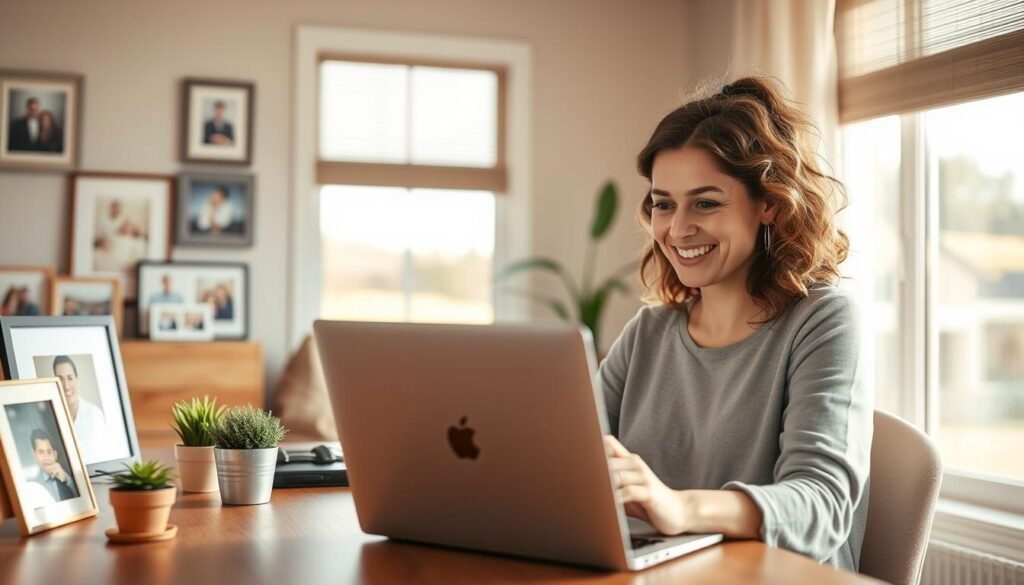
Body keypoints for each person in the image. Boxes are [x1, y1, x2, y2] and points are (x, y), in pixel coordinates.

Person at [599, 77, 871, 573]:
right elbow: (573, 458)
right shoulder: (646, 335)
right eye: (664, 203)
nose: (678, 229)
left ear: (768, 202)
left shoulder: (824, 320)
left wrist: (679, 507)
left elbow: (821, 506)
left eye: (706, 202)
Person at [52, 355, 107, 452]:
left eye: (69, 378)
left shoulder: (95, 414)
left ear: (77, 380)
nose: (66, 386)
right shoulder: (51, 416)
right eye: (60, 379)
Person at [27, 428, 79, 504]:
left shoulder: (71, 478)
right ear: (34, 455)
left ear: (55, 454)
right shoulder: (33, 487)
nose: (46, 457)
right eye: (41, 452)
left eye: (49, 452)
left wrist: (68, 480)